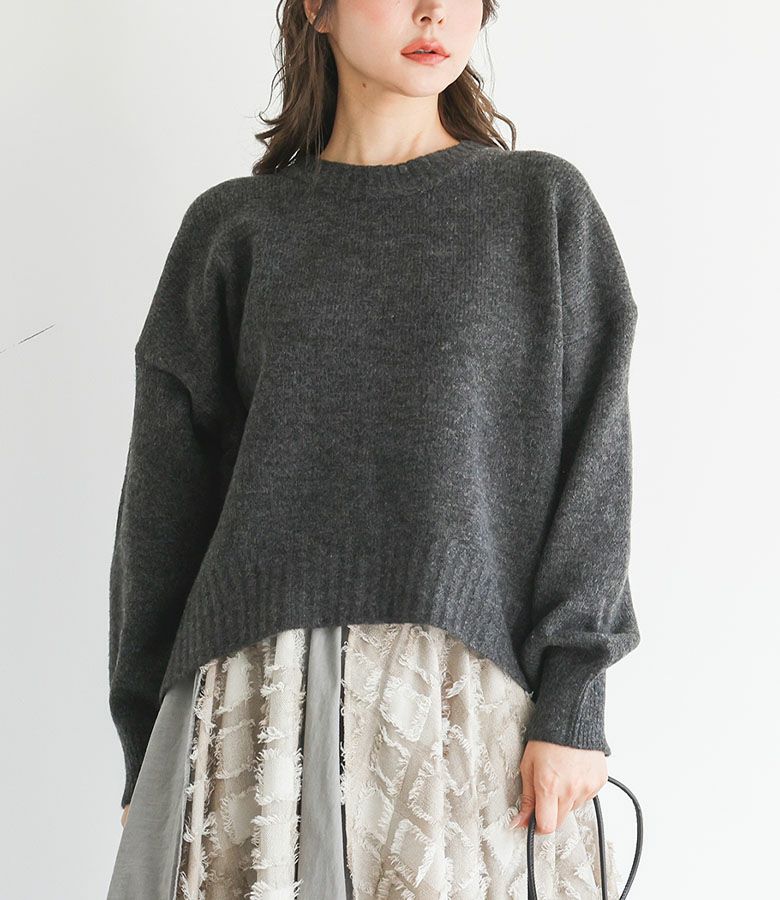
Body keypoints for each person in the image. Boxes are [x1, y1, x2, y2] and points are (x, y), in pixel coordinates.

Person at [107, 1, 640, 898]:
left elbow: (595, 466)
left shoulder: (539, 209)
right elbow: (160, 512)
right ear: (315, 8)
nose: (435, 12)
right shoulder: (234, 229)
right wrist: (143, 745)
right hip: (255, 705)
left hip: (465, 705)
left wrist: (575, 702)